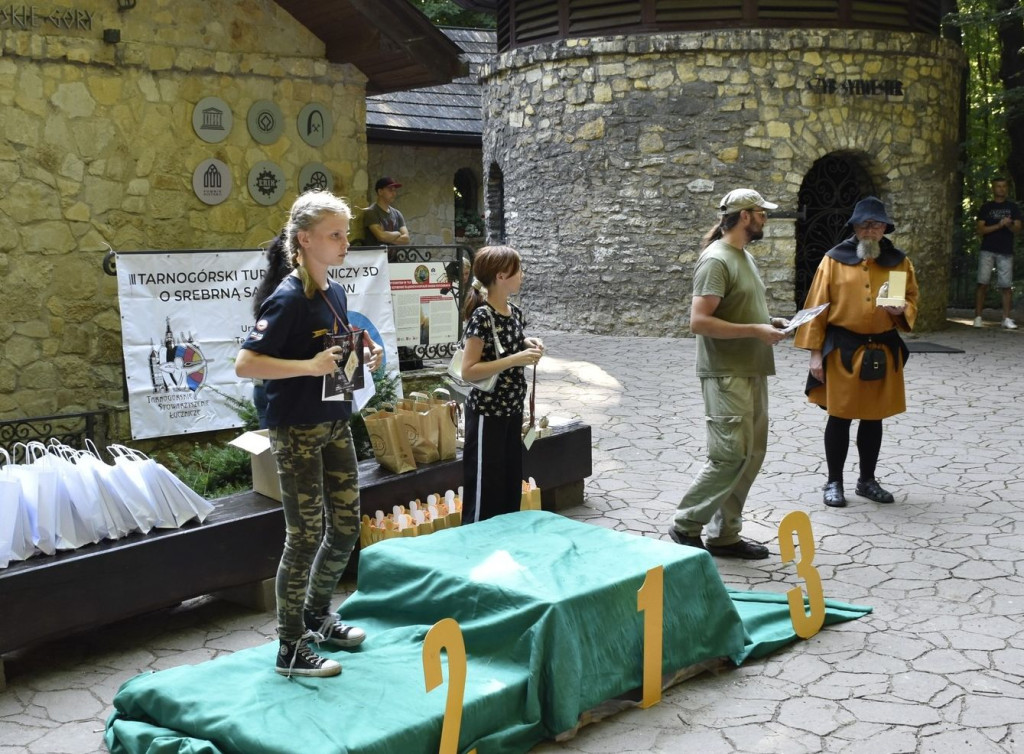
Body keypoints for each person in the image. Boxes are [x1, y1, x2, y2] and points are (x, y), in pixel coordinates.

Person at [235, 191, 384, 678]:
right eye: (335, 235)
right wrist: (307, 365)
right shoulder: (287, 297)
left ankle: (317, 616)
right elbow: (246, 363)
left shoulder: (333, 291)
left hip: (335, 419)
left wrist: (363, 356)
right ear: (304, 240)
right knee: (304, 536)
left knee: (345, 528)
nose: (345, 243)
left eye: (345, 234)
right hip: (295, 428)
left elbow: (335, 356)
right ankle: (289, 647)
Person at [668, 189, 788, 560]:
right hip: (725, 373)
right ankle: (686, 525)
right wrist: (756, 331)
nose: (766, 217)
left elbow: (738, 311)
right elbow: (699, 322)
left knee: (751, 455)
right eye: (760, 212)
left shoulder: (743, 257)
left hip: (752, 369)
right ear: (743, 216)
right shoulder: (716, 260)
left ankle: (725, 536)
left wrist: (769, 322)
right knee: (728, 456)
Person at [794, 196, 918, 508]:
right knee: (840, 417)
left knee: (873, 418)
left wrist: (904, 308)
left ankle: (867, 480)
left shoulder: (898, 262)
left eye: (876, 225)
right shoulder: (833, 260)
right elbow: (816, 308)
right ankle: (834, 481)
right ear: (855, 227)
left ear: (884, 228)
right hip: (842, 349)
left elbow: (910, 300)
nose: (870, 230)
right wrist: (814, 354)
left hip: (883, 348)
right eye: (865, 224)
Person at [459, 246, 544, 524]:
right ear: (501, 275)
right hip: (487, 413)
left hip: (511, 410)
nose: (522, 275)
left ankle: (504, 540)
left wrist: (526, 344)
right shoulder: (482, 316)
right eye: (518, 270)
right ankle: (475, 543)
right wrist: (515, 358)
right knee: (485, 485)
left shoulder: (515, 313)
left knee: (509, 483)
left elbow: (506, 346)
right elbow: (469, 370)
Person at [250, 230, 290, 428]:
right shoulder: (287, 296)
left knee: (270, 454)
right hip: (278, 389)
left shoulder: (269, 290)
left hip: (263, 386)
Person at [973, 177, 1022, 329]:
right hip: (987, 250)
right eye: (998, 186)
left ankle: (1006, 318)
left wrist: (1010, 224)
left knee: (1006, 286)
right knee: (982, 283)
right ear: (993, 189)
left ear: (1007, 189)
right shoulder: (986, 207)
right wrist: (999, 225)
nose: (1001, 189)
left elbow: (1018, 229)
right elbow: (981, 230)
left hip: (1006, 251)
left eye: (1004, 186)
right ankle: (978, 317)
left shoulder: (1013, 208)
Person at [365, 177, 410, 246]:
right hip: (377, 256)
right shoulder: (372, 211)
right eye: (390, 190)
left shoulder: (397, 214)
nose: (394, 193)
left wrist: (387, 238)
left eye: (395, 190)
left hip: (395, 257)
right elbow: (381, 236)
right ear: (380, 192)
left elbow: (406, 239)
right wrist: (398, 233)